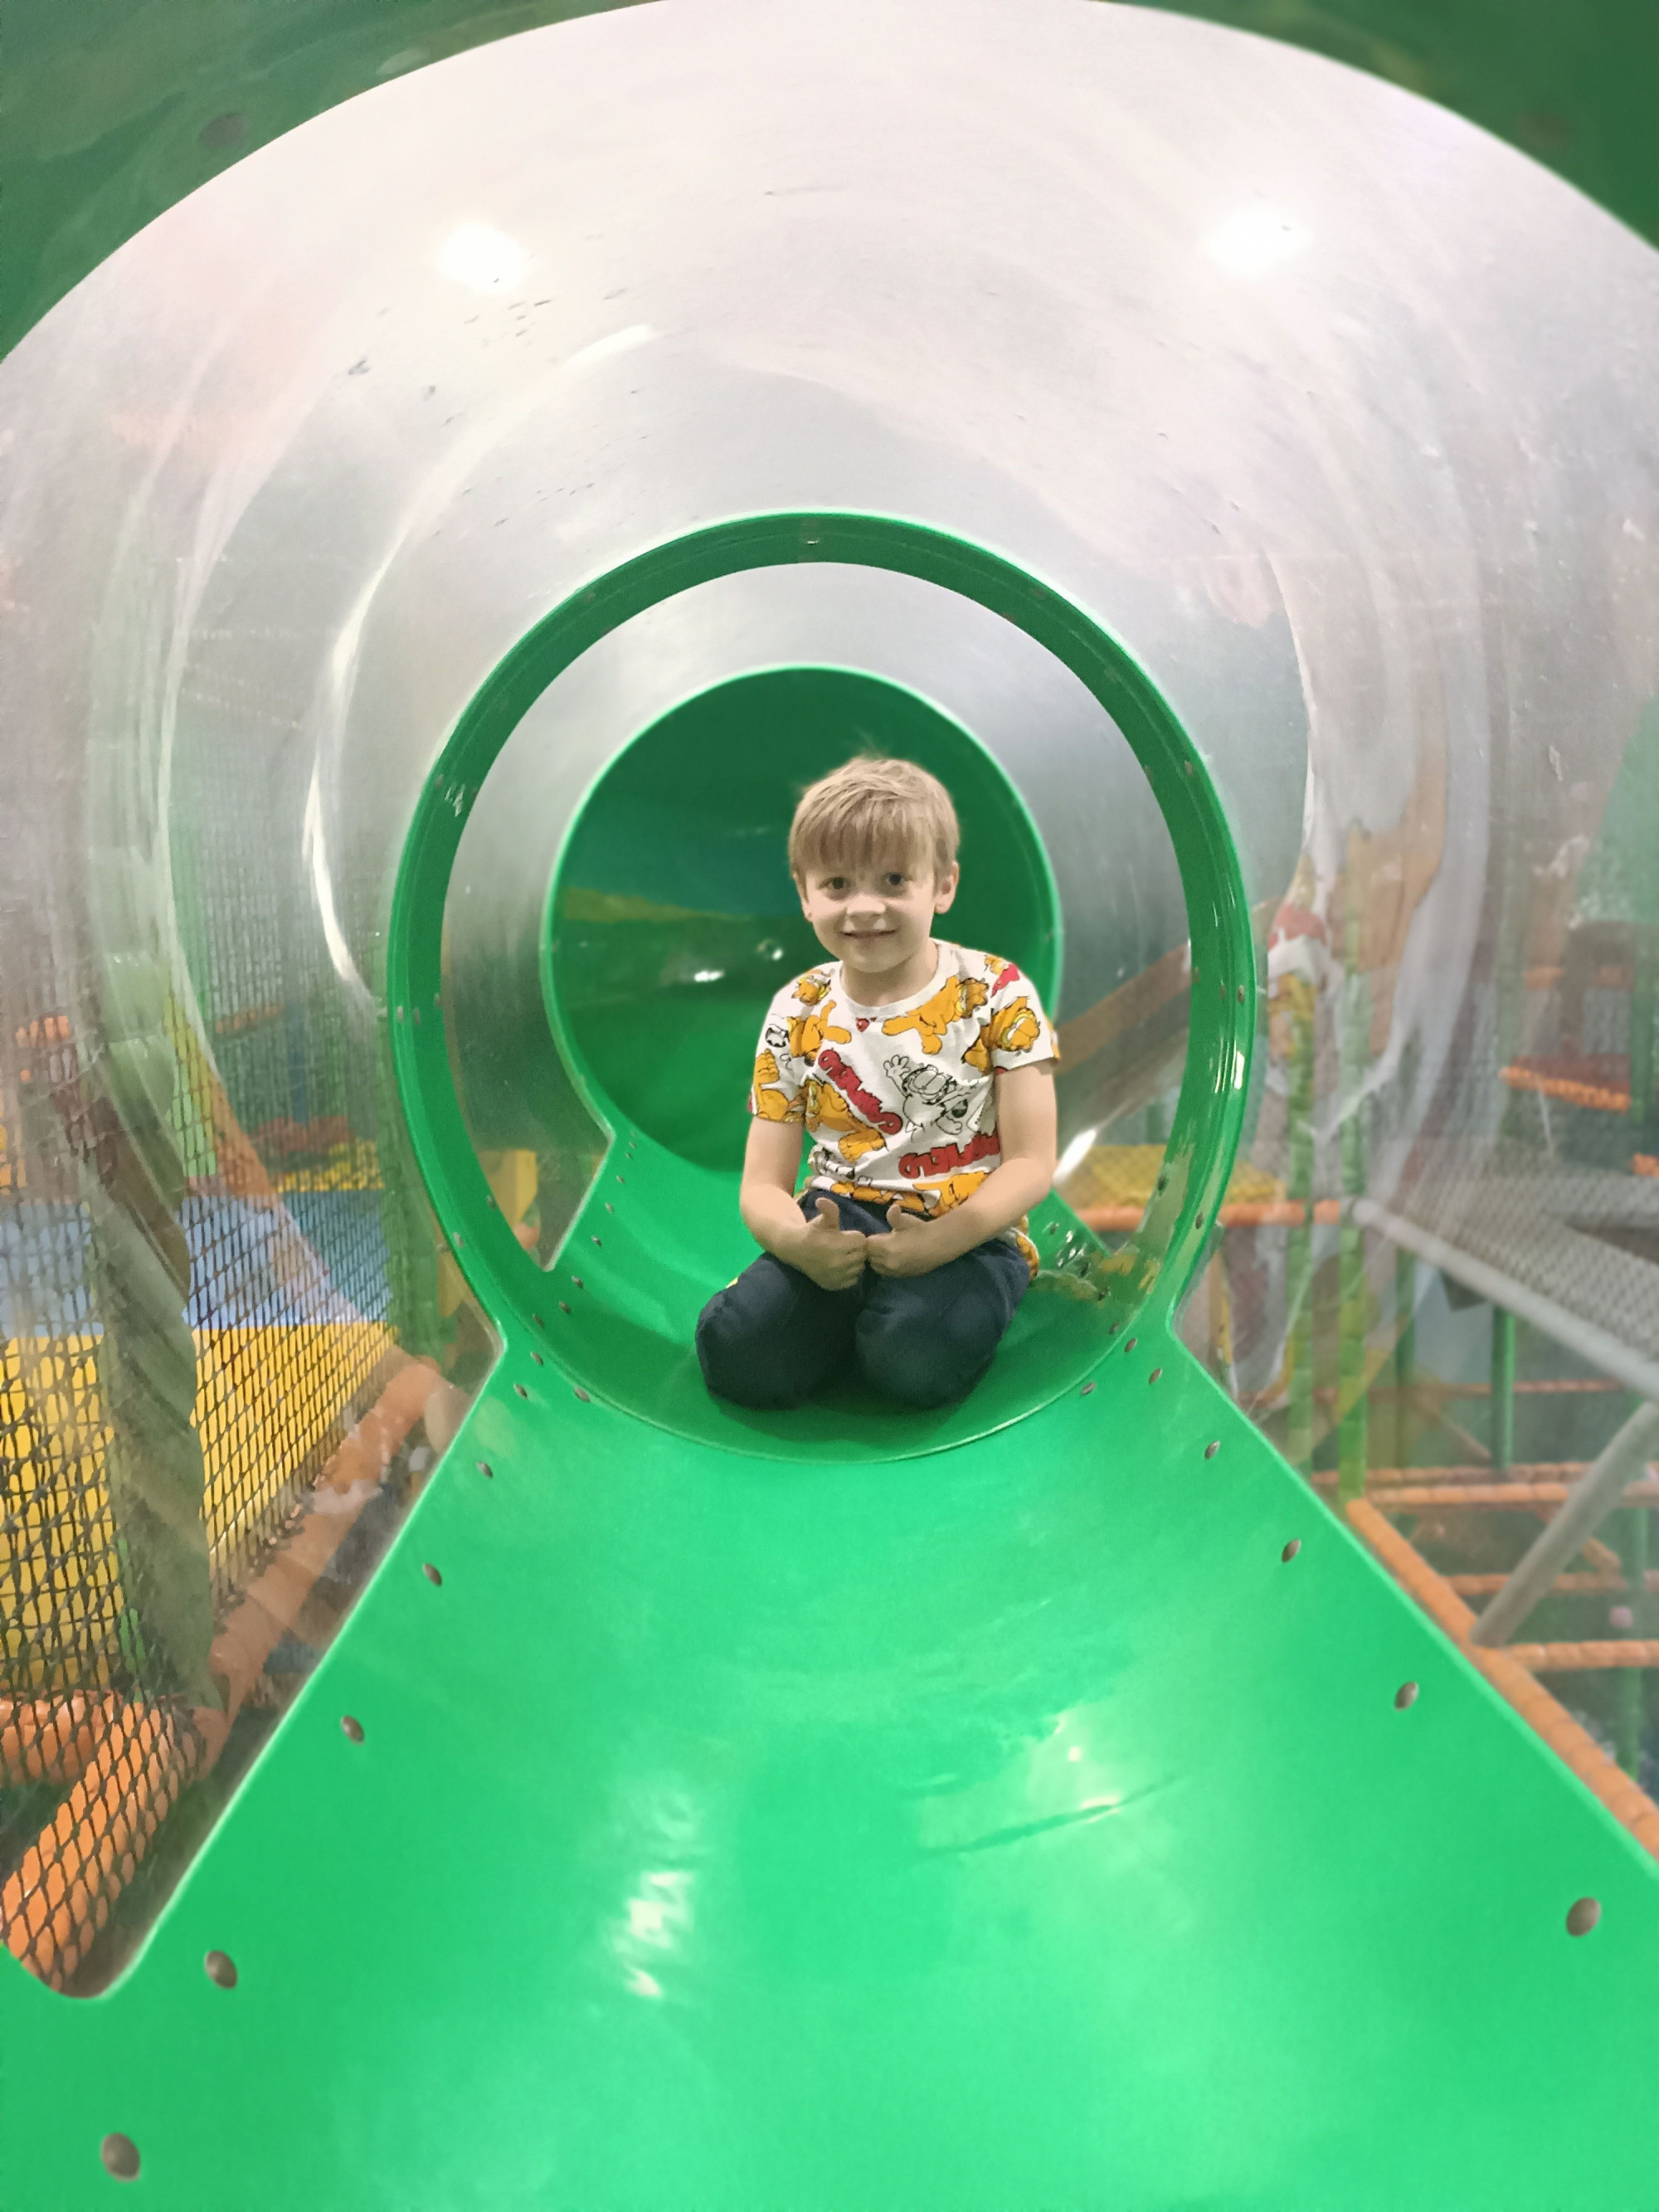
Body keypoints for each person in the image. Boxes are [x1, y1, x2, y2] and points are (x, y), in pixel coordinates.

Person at [696, 755, 1058, 1411]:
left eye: (893, 879)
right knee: (736, 1348)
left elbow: (1033, 1162)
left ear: (942, 885)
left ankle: (889, 1328)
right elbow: (762, 1184)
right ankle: (843, 1325)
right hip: (838, 1224)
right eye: (837, 884)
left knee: (913, 1358)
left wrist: (943, 1241)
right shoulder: (798, 1010)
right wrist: (799, 1244)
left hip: (967, 1233)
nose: (865, 907)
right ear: (805, 894)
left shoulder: (996, 994)